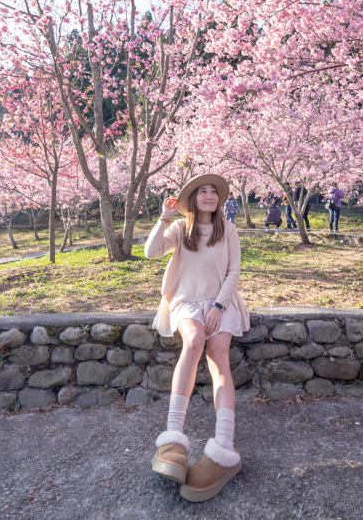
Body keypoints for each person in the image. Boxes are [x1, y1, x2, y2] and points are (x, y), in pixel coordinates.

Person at [146, 174, 251, 502]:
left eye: (213, 192)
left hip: (221, 301)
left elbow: (233, 271)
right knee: (192, 343)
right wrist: (165, 216)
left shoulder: (228, 229)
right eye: (202, 191)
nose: (209, 196)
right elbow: (151, 252)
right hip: (187, 301)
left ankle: (223, 444)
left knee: (219, 357)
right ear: (191, 200)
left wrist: (219, 306)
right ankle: (173, 435)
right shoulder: (180, 229)